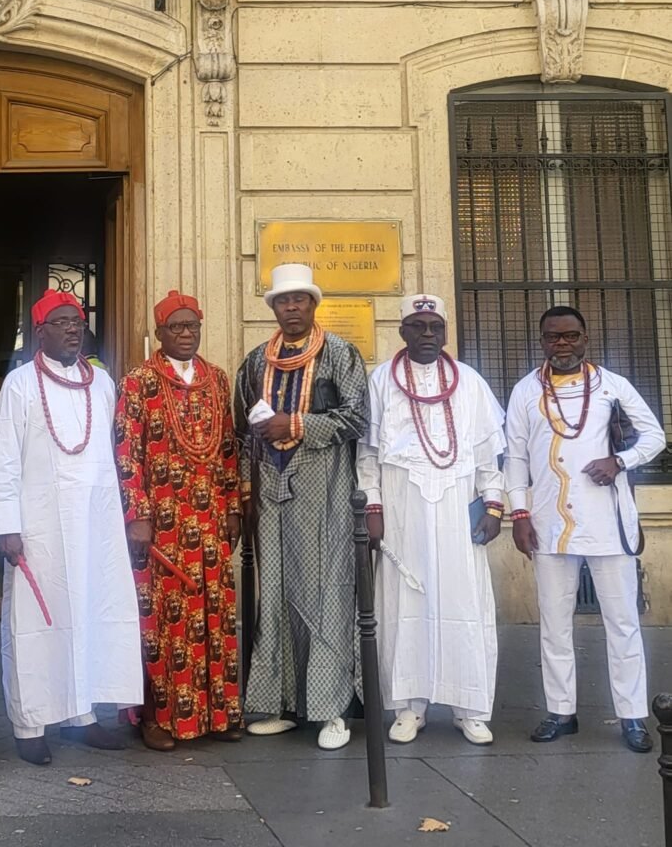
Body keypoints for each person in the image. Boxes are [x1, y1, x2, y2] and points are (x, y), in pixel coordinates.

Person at [505, 306, 666, 753]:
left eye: (571, 336)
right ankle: (561, 711)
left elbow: (654, 436)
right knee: (554, 624)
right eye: (553, 337)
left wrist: (620, 461)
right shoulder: (524, 391)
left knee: (623, 622)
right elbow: (515, 457)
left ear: (585, 338)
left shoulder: (613, 385)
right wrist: (519, 514)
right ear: (542, 341)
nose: (563, 344)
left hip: (607, 522)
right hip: (548, 523)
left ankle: (632, 716)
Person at [0, 289, 143, 765]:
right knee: (36, 621)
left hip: (95, 524)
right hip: (39, 526)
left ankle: (82, 714)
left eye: (76, 321)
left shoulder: (102, 384)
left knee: (91, 613)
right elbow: (6, 459)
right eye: (60, 323)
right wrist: (8, 525)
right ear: (40, 332)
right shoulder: (19, 385)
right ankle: (30, 724)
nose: (72, 329)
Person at [357, 294, 506, 745]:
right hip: (402, 506)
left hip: (458, 506)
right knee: (404, 603)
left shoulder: (470, 382)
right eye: (418, 326)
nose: (427, 335)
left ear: (444, 332)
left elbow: (487, 455)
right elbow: (367, 455)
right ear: (402, 331)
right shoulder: (381, 381)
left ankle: (470, 708)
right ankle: (409, 707)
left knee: (465, 601)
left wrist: (494, 504)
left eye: (435, 327)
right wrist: (373, 508)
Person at [234, 263, 369, 750]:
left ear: (313, 304)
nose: (292, 308)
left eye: (300, 300)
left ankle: (333, 710)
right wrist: (244, 494)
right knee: (273, 593)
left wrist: (295, 424)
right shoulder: (255, 362)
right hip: (270, 486)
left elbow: (357, 418)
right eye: (283, 301)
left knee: (325, 591)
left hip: (323, 483)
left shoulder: (341, 354)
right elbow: (240, 432)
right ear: (273, 307)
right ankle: (284, 704)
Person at [115, 290, 242, 750]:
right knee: (161, 620)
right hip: (161, 522)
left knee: (215, 614)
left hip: (210, 517)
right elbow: (126, 452)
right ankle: (157, 717)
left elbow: (228, 448)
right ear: (160, 332)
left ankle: (219, 715)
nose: (186, 334)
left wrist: (233, 507)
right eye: (177, 327)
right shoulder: (138, 382)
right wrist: (137, 515)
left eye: (193, 326)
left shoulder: (217, 379)